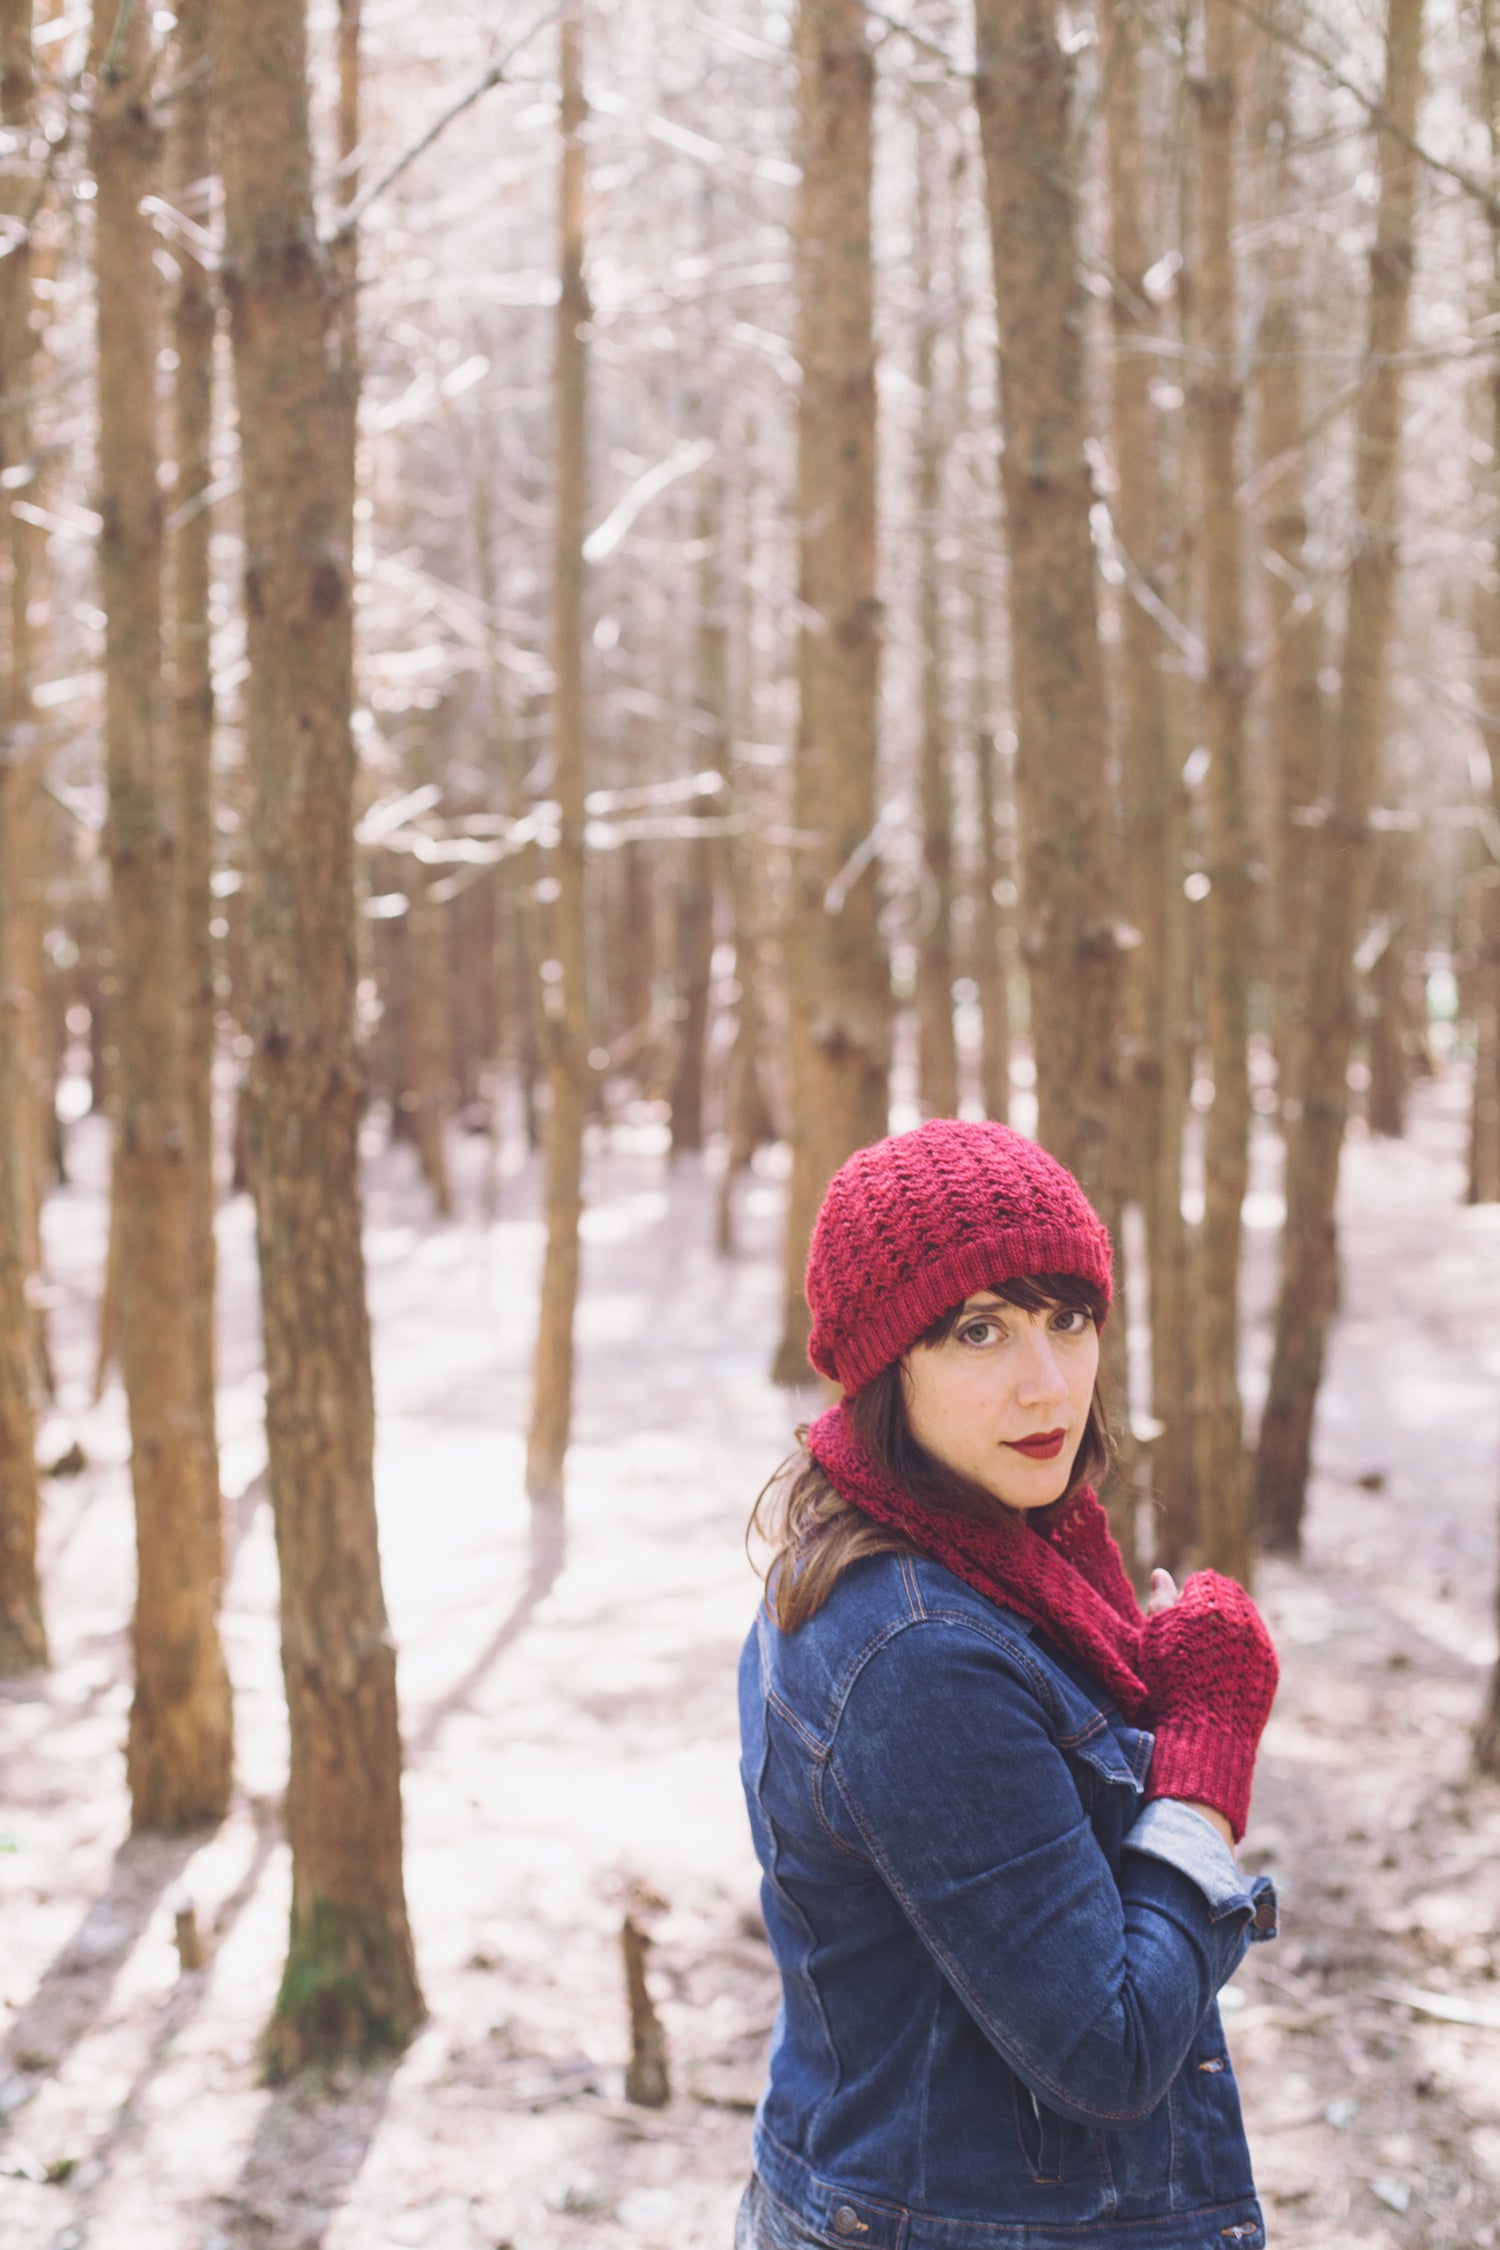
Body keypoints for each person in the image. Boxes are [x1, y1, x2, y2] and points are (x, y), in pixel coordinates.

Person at [736, 1120, 1280, 2250]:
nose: (1047, 1385)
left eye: (1066, 1319)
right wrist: (1205, 1763)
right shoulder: (918, 1651)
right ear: (887, 1363)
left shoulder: (993, 1556)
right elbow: (1112, 2050)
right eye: (978, 1331)